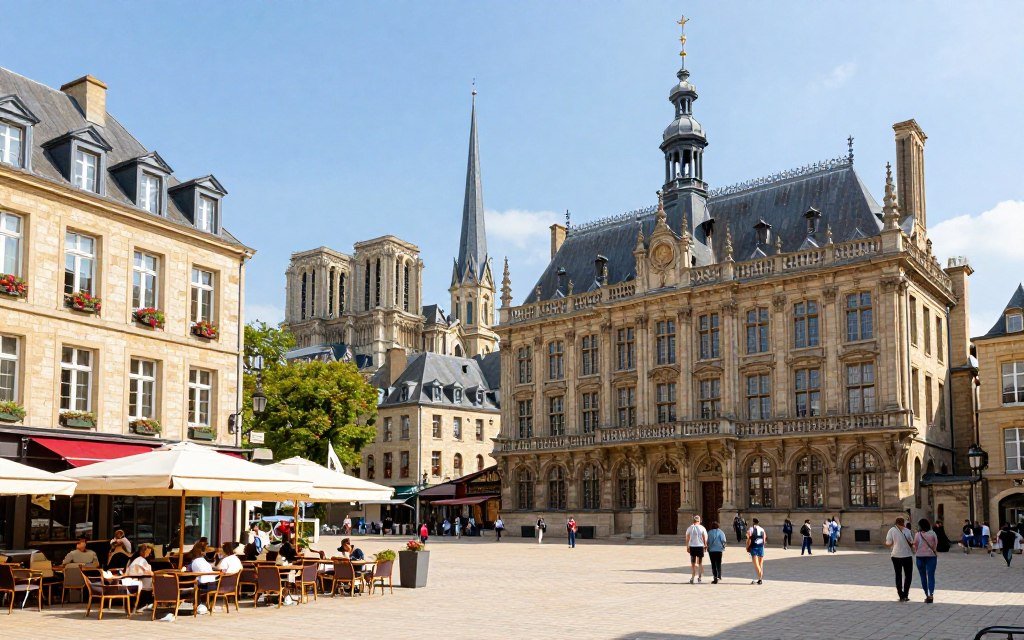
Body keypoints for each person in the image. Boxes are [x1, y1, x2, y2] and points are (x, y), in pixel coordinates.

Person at [884, 516, 915, 602]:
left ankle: (900, 594)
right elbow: (911, 542)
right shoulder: (907, 531)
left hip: (896, 555)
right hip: (907, 555)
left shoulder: (891, 530)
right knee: (908, 575)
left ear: (896, 523)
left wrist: (892, 543)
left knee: (898, 574)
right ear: (903, 522)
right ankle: (906, 594)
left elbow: (888, 543)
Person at [914, 518, 938, 604]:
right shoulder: (933, 534)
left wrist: (918, 551)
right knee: (931, 576)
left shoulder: (918, 534)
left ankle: (926, 595)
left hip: (920, 557)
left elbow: (915, 545)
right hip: (931, 556)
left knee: (923, 576)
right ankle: (931, 594)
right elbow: (936, 544)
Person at [124, 543, 154, 610]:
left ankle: (146, 603)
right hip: (136, 581)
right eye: (148, 552)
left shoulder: (133, 559)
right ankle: (145, 604)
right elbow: (148, 572)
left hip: (131, 580)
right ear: (143, 552)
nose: (149, 554)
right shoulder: (141, 559)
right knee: (151, 581)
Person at [685, 515, 708, 584]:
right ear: (699, 521)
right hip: (700, 546)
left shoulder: (690, 528)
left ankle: (692, 577)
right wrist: (705, 545)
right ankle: (700, 577)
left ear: (693, 521)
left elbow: (687, 538)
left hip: (692, 546)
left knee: (693, 563)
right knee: (700, 563)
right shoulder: (702, 528)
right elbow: (704, 537)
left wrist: (687, 546)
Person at [746, 518, 766, 584]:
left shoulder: (750, 529)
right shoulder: (762, 529)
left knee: (756, 564)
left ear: (753, 522)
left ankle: (760, 577)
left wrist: (747, 547)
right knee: (760, 564)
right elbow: (764, 539)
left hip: (754, 547)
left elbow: (748, 539)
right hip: (761, 547)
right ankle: (760, 579)